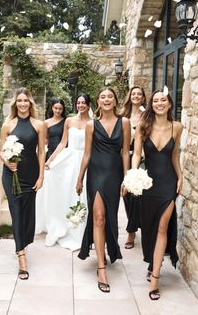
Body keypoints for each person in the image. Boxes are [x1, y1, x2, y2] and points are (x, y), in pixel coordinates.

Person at [76, 87, 131, 293]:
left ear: (115, 101)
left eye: (110, 97)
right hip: (96, 174)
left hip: (115, 174)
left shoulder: (124, 123)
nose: (106, 100)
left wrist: (126, 178)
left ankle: (107, 249)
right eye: (103, 97)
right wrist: (80, 177)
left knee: (109, 217)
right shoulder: (91, 125)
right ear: (97, 102)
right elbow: (87, 154)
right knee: (98, 216)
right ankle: (101, 268)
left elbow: (125, 153)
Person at [132, 89, 183, 300]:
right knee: (150, 227)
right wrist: (133, 175)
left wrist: (180, 178)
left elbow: (174, 156)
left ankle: (155, 278)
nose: (159, 103)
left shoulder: (177, 127)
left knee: (163, 226)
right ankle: (153, 261)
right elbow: (136, 154)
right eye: (155, 101)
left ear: (170, 104)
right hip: (148, 184)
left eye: (163, 100)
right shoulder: (143, 127)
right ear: (151, 104)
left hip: (168, 183)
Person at [0, 87, 45, 280]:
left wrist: (41, 176)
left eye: (26, 100)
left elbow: (42, 151)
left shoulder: (39, 125)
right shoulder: (7, 125)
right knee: (16, 213)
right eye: (19, 101)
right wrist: (7, 162)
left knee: (27, 216)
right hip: (11, 176)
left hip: (30, 175)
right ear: (15, 103)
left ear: (30, 103)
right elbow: (1, 151)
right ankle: (21, 257)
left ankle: (22, 242)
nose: (23, 104)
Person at [37, 93, 92, 250]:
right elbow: (62, 143)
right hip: (69, 159)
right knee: (65, 191)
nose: (80, 105)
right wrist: (50, 160)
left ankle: (82, 231)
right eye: (78, 103)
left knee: (82, 194)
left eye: (83, 103)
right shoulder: (69, 120)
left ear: (89, 105)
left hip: (85, 160)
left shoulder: (93, 123)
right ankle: (63, 224)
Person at [120, 86, 147, 249]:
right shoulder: (122, 115)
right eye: (133, 94)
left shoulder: (148, 115)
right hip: (123, 157)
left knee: (137, 194)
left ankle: (131, 230)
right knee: (126, 194)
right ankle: (132, 228)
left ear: (143, 97)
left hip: (141, 158)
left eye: (139, 94)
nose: (136, 96)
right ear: (129, 97)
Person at [35, 98, 66, 234]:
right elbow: (44, 141)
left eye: (60, 108)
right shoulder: (46, 123)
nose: (58, 111)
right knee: (49, 189)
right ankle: (49, 218)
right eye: (56, 108)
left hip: (63, 157)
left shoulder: (66, 122)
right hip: (50, 157)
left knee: (62, 188)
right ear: (52, 108)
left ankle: (61, 217)